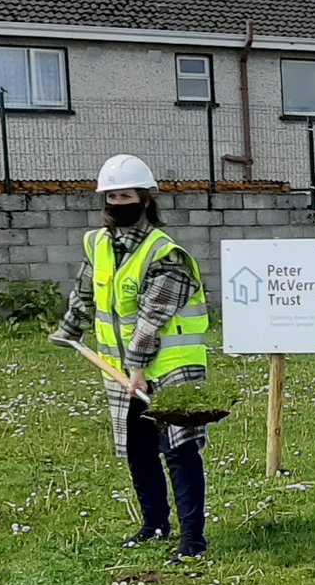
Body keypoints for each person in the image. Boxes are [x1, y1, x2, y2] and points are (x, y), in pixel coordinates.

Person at [48, 154, 212, 563]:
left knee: (179, 448)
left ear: (145, 199)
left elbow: (150, 319)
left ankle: (193, 540)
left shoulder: (166, 255)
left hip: (172, 368)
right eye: (110, 195)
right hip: (124, 370)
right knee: (138, 449)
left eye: (124, 195)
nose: (116, 203)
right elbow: (85, 294)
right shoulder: (99, 245)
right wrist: (69, 330)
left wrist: (137, 368)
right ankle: (154, 524)